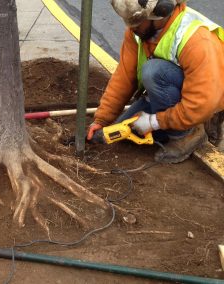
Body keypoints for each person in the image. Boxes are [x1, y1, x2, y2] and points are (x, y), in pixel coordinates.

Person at [86, 0, 224, 163]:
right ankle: (173, 125)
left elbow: (202, 102)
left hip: (206, 103)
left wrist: (155, 121)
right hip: (172, 94)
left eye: (137, 22)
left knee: (153, 71)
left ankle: (187, 134)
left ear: (158, 14)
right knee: (125, 131)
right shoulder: (138, 32)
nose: (132, 27)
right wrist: (102, 119)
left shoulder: (196, 39)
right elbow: (123, 77)